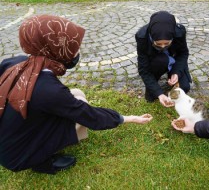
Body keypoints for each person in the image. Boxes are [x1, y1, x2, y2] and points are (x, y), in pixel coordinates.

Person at [0, 15, 153, 175]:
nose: (77, 51)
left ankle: (42, 143)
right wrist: (126, 118)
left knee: (77, 94)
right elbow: (89, 115)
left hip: (10, 137)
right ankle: (42, 161)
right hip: (17, 155)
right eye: (72, 46)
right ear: (53, 48)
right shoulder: (48, 90)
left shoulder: (15, 62)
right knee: (78, 107)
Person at [135, 11, 192, 107]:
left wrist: (176, 73)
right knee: (151, 96)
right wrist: (159, 93)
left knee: (184, 87)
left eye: (167, 43)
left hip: (173, 59)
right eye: (158, 44)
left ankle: (171, 74)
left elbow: (183, 53)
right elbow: (143, 69)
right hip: (156, 61)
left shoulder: (179, 32)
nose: (162, 47)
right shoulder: (142, 37)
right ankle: (154, 84)